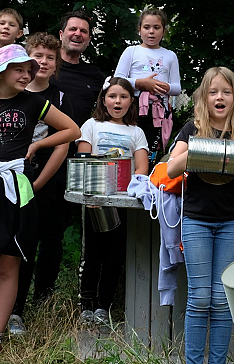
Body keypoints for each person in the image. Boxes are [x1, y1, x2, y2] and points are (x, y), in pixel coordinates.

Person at [0, 44, 79, 356]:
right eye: (19, 69)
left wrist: (38, 145)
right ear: (1, 72)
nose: (26, 75)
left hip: (14, 191)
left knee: (9, 263)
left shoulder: (35, 101)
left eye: (29, 70)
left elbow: (72, 130)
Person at [166, 67, 234, 364]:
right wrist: (202, 145)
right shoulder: (191, 129)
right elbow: (170, 170)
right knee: (199, 297)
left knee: (221, 300)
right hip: (196, 220)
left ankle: (218, 361)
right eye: (213, 92)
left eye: (226, 91)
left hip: (233, 221)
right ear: (203, 98)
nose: (219, 97)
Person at [10, 33, 73, 334]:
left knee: (51, 240)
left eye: (50, 57)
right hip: (15, 174)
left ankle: (44, 300)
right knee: (21, 240)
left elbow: (64, 143)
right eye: (38, 56)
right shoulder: (13, 92)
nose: (43, 62)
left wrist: (38, 184)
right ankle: (14, 309)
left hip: (49, 176)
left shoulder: (60, 97)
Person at [43, 11, 106, 302]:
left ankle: (46, 295)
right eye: (72, 29)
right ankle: (17, 300)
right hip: (40, 157)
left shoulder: (95, 76)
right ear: (61, 34)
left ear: (89, 38)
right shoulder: (45, 70)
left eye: (83, 31)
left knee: (58, 231)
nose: (77, 34)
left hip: (79, 160)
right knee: (33, 228)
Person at [75, 77, 149, 326]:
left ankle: (103, 307)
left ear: (131, 101)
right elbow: (83, 158)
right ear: (103, 100)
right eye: (112, 96)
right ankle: (86, 304)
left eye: (123, 97)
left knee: (115, 255)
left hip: (123, 203)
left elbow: (141, 169)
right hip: (95, 200)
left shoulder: (136, 132)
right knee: (92, 253)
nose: (117, 101)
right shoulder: (91, 125)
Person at [114, 8, 181, 159]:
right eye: (146, 27)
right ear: (139, 30)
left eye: (156, 27)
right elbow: (117, 80)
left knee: (151, 150)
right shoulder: (131, 51)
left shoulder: (170, 55)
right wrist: (141, 83)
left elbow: (177, 88)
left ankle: (147, 178)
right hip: (132, 107)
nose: (151, 32)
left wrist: (163, 87)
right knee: (129, 147)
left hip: (158, 110)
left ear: (164, 31)